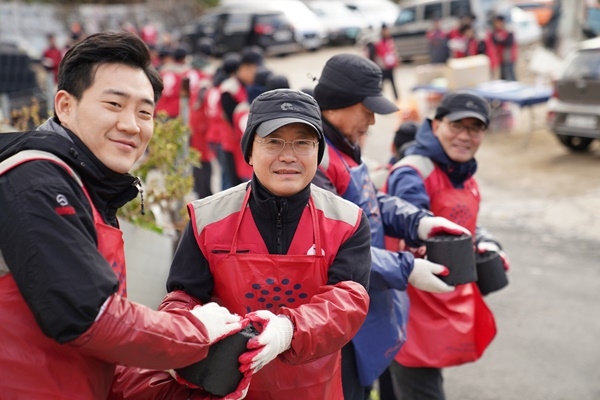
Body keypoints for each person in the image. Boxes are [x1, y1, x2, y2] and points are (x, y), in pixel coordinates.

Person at [0, 31, 246, 399]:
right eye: (114, 105)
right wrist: (196, 331)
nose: (132, 125)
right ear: (65, 106)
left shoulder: (89, 186)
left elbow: (102, 364)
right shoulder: (34, 179)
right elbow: (91, 317)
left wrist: (191, 390)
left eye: (144, 112)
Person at [113, 89, 372, 399]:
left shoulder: (347, 221)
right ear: (249, 152)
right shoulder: (206, 218)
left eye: (303, 143)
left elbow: (348, 303)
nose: (288, 156)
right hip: (227, 388)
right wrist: (189, 327)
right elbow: (182, 297)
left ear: (318, 153)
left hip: (316, 387)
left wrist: (288, 331)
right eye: (273, 141)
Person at [310, 53, 471, 400]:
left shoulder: (344, 146)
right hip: (337, 319)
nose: (371, 120)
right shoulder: (314, 157)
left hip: (367, 305)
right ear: (337, 103)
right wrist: (407, 268)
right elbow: (331, 248)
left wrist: (420, 222)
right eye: (366, 109)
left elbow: (369, 201)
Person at [384, 91, 511, 400]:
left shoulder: (462, 172)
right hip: (407, 307)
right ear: (436, 124)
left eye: (475, 128)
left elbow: (466, 223)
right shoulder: (412, 172)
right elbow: (413, 226)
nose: (465, 136)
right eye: (457, 126)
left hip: (437, 304)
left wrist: (485, 243)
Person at [374, 23, 400, 101]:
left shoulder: (390, 41)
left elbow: (393, 52)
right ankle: (379, 100)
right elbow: (377, 55)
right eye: (385, 30)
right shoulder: (379, 42)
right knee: (381, 86)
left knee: (393, 84)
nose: (387, 32)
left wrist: (396, 61)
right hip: (383, 67)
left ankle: (397, 100)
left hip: (390, 66)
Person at [488, 14, 517, 81]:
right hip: (500, 58)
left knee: (510, 75)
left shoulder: (508, 32)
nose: (496, 25)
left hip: (508, 58)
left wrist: (500, 40)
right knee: (503, 77)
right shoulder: (494, 33)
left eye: (497, 22)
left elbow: (508, 43)